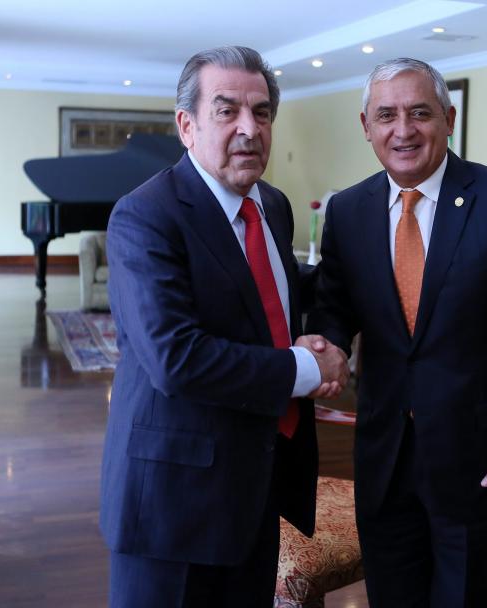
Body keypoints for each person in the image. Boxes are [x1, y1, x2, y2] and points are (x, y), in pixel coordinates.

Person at [308, 57, 487, 607]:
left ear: (449, 119)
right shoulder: (349, 210)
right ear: (366, 126)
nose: (402, 130)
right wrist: (323, 345)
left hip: (481, 465)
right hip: (384, 460)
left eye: (419, 113)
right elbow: (334, 310)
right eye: (386, 115)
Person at [100, 46, 348, 608]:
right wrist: (308, 367)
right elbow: (176, 357)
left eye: (261, 112)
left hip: (256, 487)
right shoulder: (146, 215)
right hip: (172, 505)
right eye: (227, 110)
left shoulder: (274, 206)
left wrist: (316, 328)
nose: (248, 128)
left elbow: (267, 296)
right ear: (186, 125)